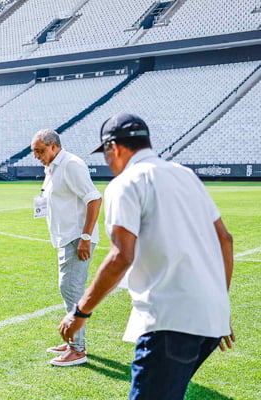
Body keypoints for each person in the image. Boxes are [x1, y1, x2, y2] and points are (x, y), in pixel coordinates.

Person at [59, 113, 235, 399]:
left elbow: (121, 256)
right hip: (211, 322)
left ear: (113, 147)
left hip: (170, 319)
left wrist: (80, 312)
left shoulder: (126, 183)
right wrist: (219, 302)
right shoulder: (185, 174)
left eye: (105, 154)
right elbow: (225, 240)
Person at [30, 129, 102, 366]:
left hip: (76, 238)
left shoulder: (71, 164)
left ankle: (77, 349)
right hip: (65, 237)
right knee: (68, 289)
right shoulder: (51, 166)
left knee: (70, 289)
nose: (37, 156)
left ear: (53, 146)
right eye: (34, 152)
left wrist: (85, 237)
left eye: (40, 151)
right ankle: (72, 338)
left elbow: (94, 198)